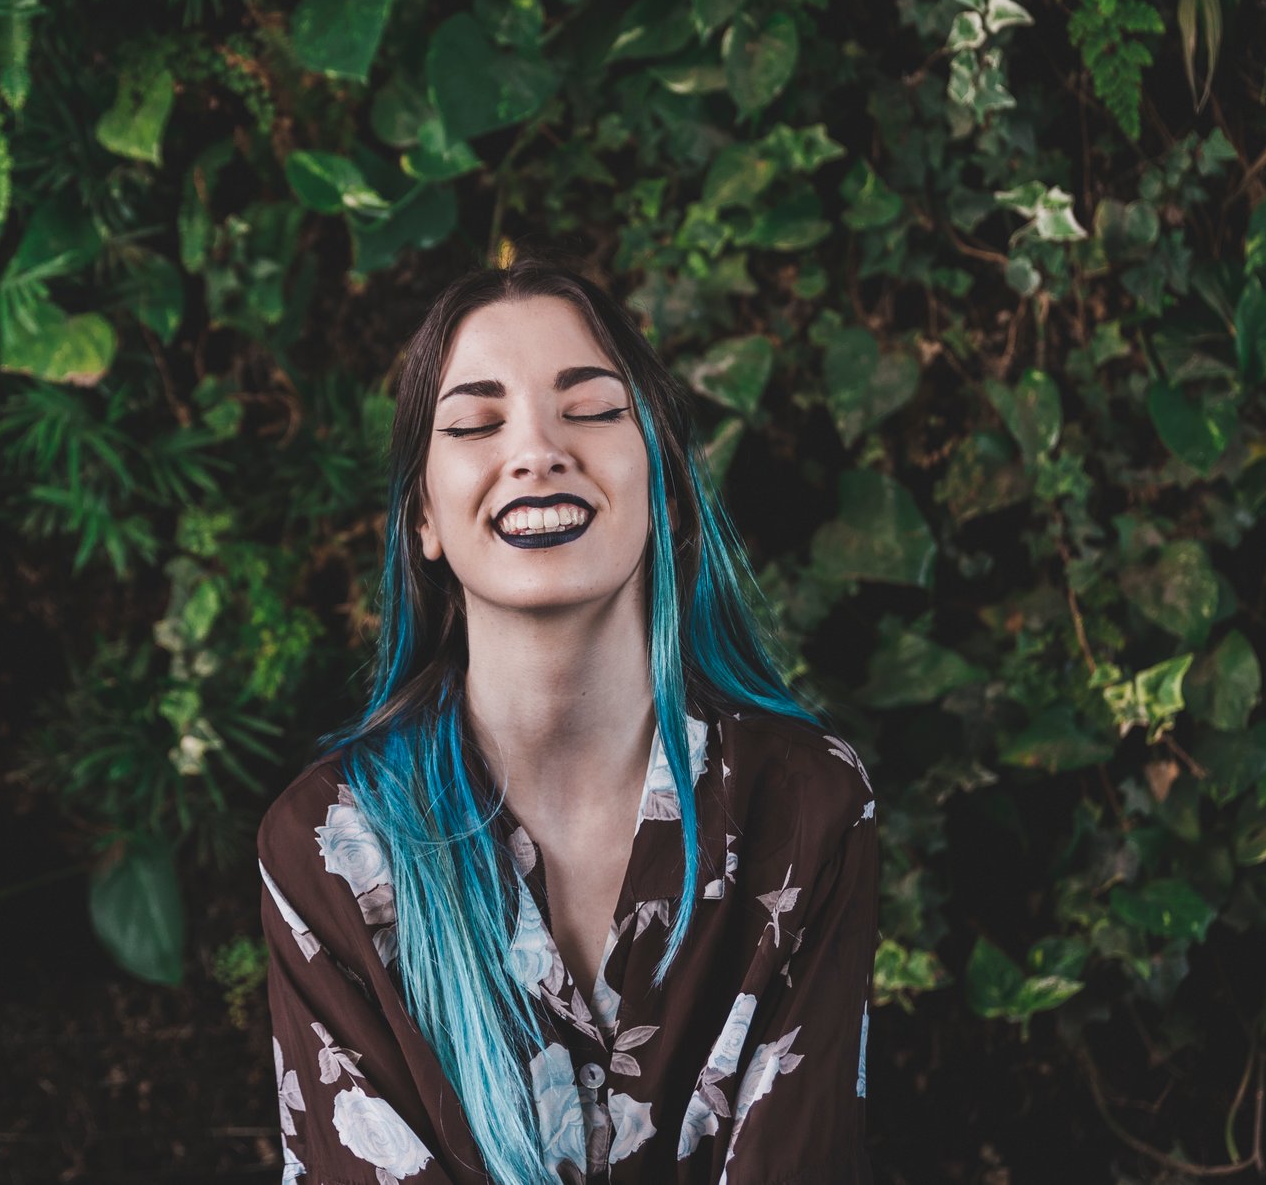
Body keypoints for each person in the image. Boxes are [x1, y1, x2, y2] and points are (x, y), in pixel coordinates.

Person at [256, 254, 879, 1184]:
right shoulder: (330, 848)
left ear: (664, 489)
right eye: (474, 421)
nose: (538, 448)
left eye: (591, 409)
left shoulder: (808, 805)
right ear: (422, 516)